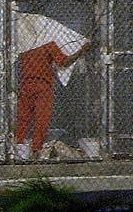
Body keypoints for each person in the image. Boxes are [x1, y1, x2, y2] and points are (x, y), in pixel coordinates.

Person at [14, 12, 91, 159]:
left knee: (23, 117)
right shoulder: (48, 44)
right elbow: (64, 62)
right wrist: (82, 50)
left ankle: (19, 148)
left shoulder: (24, 43)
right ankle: (36, 149)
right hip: (43, 84)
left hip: (25, 83)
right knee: (41, 118)